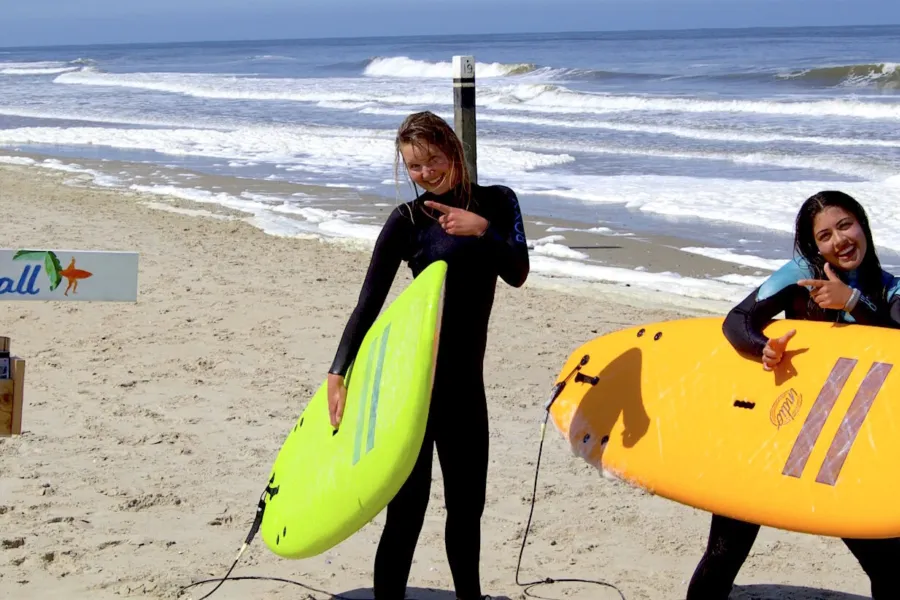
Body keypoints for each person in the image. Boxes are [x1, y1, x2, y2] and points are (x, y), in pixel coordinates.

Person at [325, 110, 530, 600]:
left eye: (432, 160)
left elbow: (518, 271)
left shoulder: (498, 204)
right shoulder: (408, 221)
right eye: (413, 167)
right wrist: (338, 370)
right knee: (406, 510)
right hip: (411, 389)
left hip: (465, 387)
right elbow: (369, 301)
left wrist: (482, 230)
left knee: (467, 509)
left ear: (453, 151)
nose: (425, 174)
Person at [687, 190, 900, 599]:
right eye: (824, 235)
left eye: (845, 225)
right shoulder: (800, 275)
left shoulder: (891, 289)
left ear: (862, 225)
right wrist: (761, 346)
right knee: (723, 553)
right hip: (775, 429)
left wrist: (852, 302)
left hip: (845, 444)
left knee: (889, 566)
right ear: (813, 244)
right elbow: (738, 320)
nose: (839, 240)